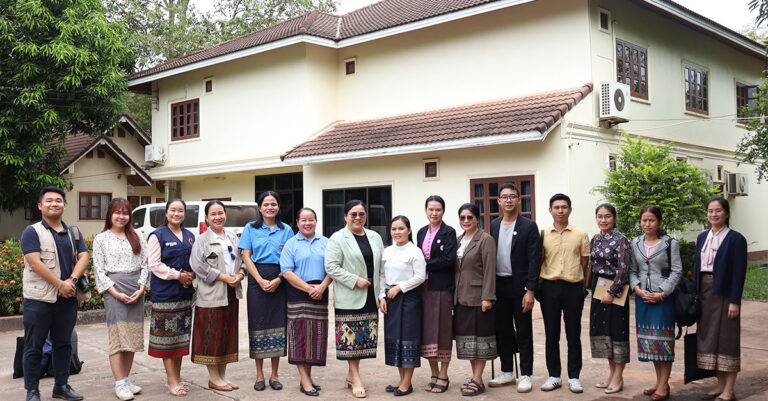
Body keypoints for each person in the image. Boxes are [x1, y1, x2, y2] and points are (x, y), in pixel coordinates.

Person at [20, 187, 89, 401]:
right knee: (34, 345)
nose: (54, 203)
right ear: (40, 206)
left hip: (66, 299)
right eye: (49, 200)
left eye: (58, 200)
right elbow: (34, 262)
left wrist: (73, 281)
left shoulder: (73, 232)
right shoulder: (32, 232)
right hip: (38, 300)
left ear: (64, 206)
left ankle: (61, 386)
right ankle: (32, 391)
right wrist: (60, 284)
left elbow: (84, 257)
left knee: (63, 343)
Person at [325, 200, 384, 399]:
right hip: (350, 295)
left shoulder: (375, 237)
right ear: (345, 216)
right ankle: (357, 380)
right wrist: (354, 280)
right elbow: (331, 267)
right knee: (351, 342)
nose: (358, 218)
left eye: (361, 214)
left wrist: (381, 293)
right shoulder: (337, 238)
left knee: (364, 340)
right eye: (353, 214)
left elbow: (381, 268)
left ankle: (351, 376)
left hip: (370, 295)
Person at [92, 198, 150, 400]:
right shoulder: (101, 239)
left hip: (135, 290)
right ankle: (118, 383)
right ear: (110, 214)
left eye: (125, 213)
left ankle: (126, 380)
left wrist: (142, 287)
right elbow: (98, 270)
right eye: (117, 212)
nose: (121, 216)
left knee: (132, 337)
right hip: (114, 292)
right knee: (118, 337)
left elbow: (146, 264)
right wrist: (114, 292)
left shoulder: (137, 236)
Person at [239, 191, 294, 391]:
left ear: (278, 207)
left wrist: (279, 279)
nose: (270, 207)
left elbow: (290, 259)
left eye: (273, 204)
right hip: (257, 280)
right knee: (258, 326)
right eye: (266, 204)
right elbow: (247, 256)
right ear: (260, 207)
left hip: (281, 279)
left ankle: (275, 375)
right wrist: (260, 279)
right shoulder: (250, 228)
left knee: (278, 325)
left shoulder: (286, 229)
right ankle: (260, 375)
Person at [488, 183, 540, 393]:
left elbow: (534, 260)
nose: (508, 200)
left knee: (524, 330)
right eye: (504, 197)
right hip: (499, 286)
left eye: (512, 196)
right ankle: (507, 372)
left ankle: (525, 374)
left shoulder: (528, 226)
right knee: (502, 330)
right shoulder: (493, 225)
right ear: (498, 201)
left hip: (520, 287)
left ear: (519, 200)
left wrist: (530, 290)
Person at [188, 201, 245, 391]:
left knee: (226, 336)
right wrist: (223, 277)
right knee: (211, 336)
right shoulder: (202, 240)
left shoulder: (233, 238)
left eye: (220, 213)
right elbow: (198, 266)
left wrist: (241, 275)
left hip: (231, 293)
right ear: (206, 218)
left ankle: (222, 376)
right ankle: (214, 378)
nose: (217, 217)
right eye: (213, 214)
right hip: (211, 294)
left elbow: (244, 259)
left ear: (225, 215)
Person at [694, 197, 747, 401]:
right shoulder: (702, 237)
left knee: (727, 339)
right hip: (705, 292)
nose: (713, 215)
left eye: (717, 211)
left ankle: (729, 389)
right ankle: (720, 383)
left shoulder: (736, 239)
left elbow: (739, 273)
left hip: (724, 293)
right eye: (710, 211)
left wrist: (735, 300)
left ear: (726, 213)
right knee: (709, 340)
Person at [629, 205, 682, 401]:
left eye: (651, 220)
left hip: (663, 300)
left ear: (659, 221)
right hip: (643, 298)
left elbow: (677, 271)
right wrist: (637, 289)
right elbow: (632, 270)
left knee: (663, 342)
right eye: (644, 220)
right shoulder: (635, 243)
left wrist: (662, 293)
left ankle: (663, 385)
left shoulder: (670, 244)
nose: (647, 224)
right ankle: (661, 381)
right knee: (651, 342)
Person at [539, 193, 590, 393]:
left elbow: (585, 263)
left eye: (564, 207)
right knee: (552, 335)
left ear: (570, 209)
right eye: (556, 207)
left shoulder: (580, 234)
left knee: (573, 334)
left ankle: (574, 377)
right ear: (550, 210)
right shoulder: (544, 234)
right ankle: (554, 376)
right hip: (549, 288)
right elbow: (540, 261)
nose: (560, 210)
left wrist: (582, 289)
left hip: (573, 288)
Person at [280, 208, 332, 397]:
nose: (307, 223)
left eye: (311, 219)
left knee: (315, 338)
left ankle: (307, 379)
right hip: (298, 293)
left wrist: (322, 287)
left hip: (320, 293)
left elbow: (333, 267)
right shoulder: (291, 244)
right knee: (299, 337)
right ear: (297, 222)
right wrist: (309, 289)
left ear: (316, 221)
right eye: (303, 220)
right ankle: (305, 380)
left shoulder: (326, 242)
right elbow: (287, 272)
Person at [147, 198, 196, 396]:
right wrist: (178, 275)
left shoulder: (190, 236)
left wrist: (191, 275)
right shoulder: (157, 235)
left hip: (185, 294)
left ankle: (178, 377)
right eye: (173, 210)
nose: (177, 214)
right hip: (165, 296)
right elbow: (155, 264)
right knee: (167, 340)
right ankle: (170, 380)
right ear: (166, 213)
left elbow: (195, 261)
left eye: (181, 211)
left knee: (181, 339)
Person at [380, 215, 426, 397]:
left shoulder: (414, 251)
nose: (397, 232)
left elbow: (420, 277)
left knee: (408, 339)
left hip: (409, 298)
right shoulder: (387, 251)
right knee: (395, 339)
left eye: (401, 228)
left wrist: (400, 287)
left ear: (409, 230)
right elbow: (382, 276)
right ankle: (401, 379)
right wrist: (381, 296)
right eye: (394, 229)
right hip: (390, 298)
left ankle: (407, 382)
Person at [454, 203, 497, 397]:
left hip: (479, 298)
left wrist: (487, 297)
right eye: (462, 217)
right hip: (461, 298)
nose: (466, 221)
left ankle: (478, 379)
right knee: (469, 341)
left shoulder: (485, 239)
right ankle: (476, 378)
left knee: (481, 340)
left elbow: (489, 270)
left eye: (469, 217)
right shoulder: (458, 240)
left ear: (477, 219)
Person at [588, 204, 631, 394]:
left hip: (615, 288)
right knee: (604, 331)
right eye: (599, 216)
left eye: (607, 217)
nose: (603, 220)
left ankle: (618, 377)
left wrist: (612, 291)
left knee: (617, 332)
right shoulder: (595, 239)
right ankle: (612, 374)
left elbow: (624, 269)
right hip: (598, 287)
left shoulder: (621, 240)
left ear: (614, 218)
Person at [416, 195, 457, 394]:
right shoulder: (421, 232)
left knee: (442, 330)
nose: (434, 213)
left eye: (438, 210)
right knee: (427, 331)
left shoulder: (449, 232)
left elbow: (448, 259)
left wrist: (423, 264)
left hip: (441, 288)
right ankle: (433, 373)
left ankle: (444, 374)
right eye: (431, 209)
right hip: (423, 288)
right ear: (426, 210)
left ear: (443, 211)